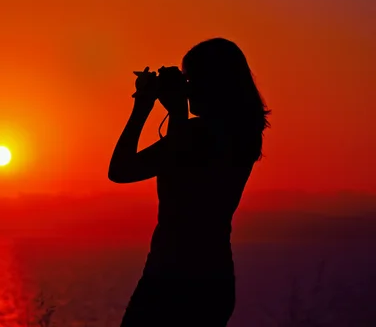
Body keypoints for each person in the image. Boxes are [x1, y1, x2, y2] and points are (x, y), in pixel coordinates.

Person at [108, 38, 270, 326]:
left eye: (190, 77)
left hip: (173, 277)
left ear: (212, 83)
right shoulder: (243, 133)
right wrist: (177, 113)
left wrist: (144, 106)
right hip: (214, 277)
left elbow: (121, 170)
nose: (186, 85)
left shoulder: (203, 134)